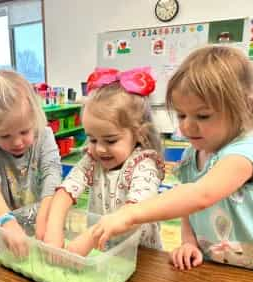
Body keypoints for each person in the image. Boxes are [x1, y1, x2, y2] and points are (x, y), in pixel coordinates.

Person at [86, 45, 253, 278]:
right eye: (181, 115)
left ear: (245, 109)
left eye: (203, 115)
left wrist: (129, 214)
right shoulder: (192, 155)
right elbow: (188, 207)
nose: (187, 126)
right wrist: (189, 242)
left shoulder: (245, 154)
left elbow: (200, 196)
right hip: (216, 268)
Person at [44, 67, 165, 256]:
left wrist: (90, 237)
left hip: (141, 256)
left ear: (139, 134)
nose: (99, 148)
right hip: (104, 252)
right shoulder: (93, 160)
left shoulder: (144, 165)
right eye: (92, 139)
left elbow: (133, 213)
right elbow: (65, 191)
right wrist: (53, 230)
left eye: (110, 140)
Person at [0, 70, 62, 256]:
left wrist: (45, 218)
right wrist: (6, 221)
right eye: (5, 136)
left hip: (44, 220)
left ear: (35, 120)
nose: (17, 142)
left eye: (25, 132)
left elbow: (52, 171)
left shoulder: (44, 136)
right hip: (7, 230)